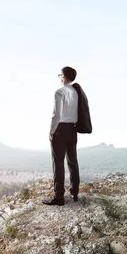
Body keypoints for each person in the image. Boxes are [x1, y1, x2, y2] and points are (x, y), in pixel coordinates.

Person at [42, 66, 80, 206]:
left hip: (60, 129)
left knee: (58, 163)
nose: (59, 77)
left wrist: (52, 131)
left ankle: (59, 197)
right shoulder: (76, 92)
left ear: (63, 76)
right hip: (73, 129)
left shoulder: (59, 92)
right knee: (72, 161)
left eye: (60, 75)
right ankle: (74, 192)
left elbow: (56, 115)